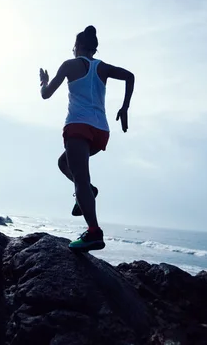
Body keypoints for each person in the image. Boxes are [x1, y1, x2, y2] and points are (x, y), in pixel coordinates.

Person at [39, 25, 135, 251]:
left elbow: (46, 95)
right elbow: (130, 76)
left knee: (80, 179)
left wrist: (44, 81)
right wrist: (125, 108)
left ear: (77, 46)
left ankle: (94, 232)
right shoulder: (102, 67)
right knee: (64, 164)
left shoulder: (69, 65)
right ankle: (88, 192)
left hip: (78, 127)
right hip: (100, 131)